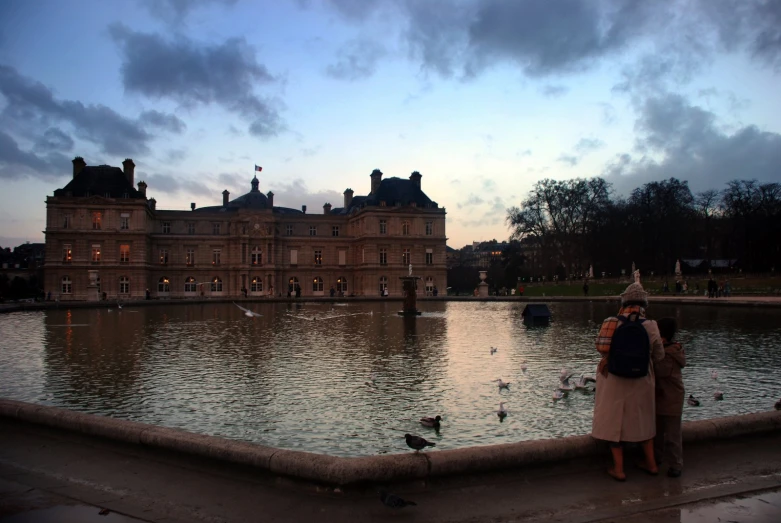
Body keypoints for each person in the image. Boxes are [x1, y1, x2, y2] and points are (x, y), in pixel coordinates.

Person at [592, 282, 665, 481]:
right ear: (644, 304)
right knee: (643, 422)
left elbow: (601, 347)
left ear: (624, 301)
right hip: (641, 379)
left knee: (614, 425)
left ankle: (619, 469)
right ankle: (651, 464)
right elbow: (659, 355)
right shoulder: (651, 326)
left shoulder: (611, 322)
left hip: (615, 380)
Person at [654, 317, 686, 478]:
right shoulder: (673, 349)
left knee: (672, 434)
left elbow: (661, 372)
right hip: (667, 397)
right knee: (659, 432)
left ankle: (675, 464)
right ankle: (658, 458)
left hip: (670, 397)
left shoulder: (667, 352)